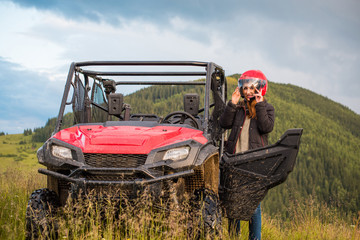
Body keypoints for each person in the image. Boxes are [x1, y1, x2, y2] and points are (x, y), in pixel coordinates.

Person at [219, 69, 275, 240]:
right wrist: (232, 103)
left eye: (252, 88)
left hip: (253, 161)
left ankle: (255, 238)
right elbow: (224, 123)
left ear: (260, 88)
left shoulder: (267, 108)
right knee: (233, 200)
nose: (248, 91)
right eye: (245, 88)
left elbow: (266, 128)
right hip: (234, 160)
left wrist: (260, 104)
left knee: (254, 204)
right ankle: (233, 236)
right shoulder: (238, 108)